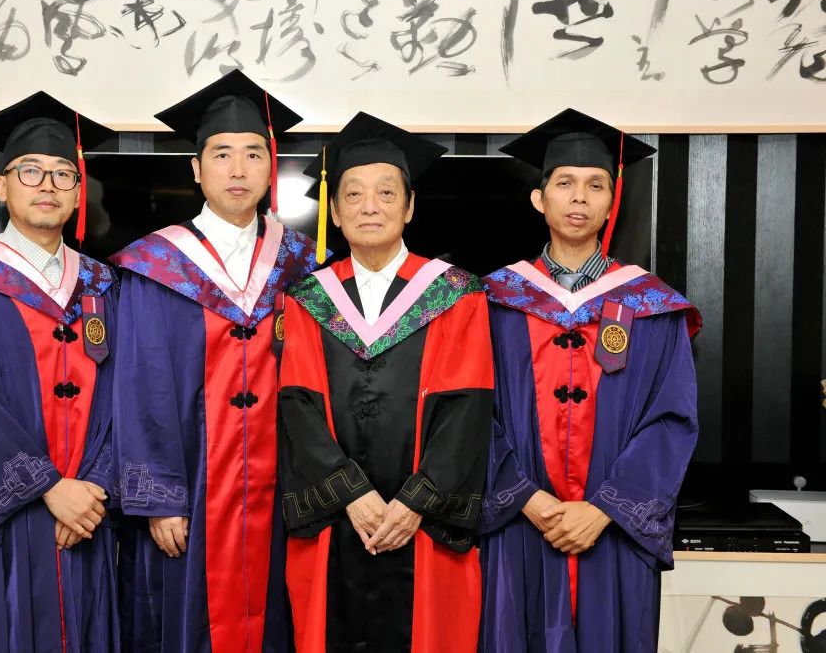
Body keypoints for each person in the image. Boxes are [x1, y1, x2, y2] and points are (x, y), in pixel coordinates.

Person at [110, 70, 320, 653]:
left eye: (254, 154)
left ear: (271, 168)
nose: (238, 169)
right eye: (222, 154)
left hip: (283, 494)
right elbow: (139, 386)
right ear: (196, 169)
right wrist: (159, 498)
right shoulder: (153, 267)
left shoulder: (303, 264)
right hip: (193, 493)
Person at [479, 108, 701, 652]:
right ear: (540, 199)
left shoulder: (651, 306)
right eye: (565, 183)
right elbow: (468, 412)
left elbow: (672, 419)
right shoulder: (490, 301)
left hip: (612, 532)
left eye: (595, 185)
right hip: (521, 523)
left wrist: (605, 507)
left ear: (610, 201)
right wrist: (523, 496)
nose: (579, 197)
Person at [278, 112, 493, 652]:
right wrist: (350, 494)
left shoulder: (456, 295)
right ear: (335, 210)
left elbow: (467, 407)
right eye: (353, 193)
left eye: (386, 192)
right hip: (338, 520)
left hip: (422, 524)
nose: (369, 206)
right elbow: (298, 404)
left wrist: (416, 502)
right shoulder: (308, 300)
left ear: (410, 205)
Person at [0, 91, 120, 653]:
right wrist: (50, 489)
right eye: (30, 171)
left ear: (78, 193)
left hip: (88, 515)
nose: (47, 185)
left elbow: (126, 394)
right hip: (14, 521)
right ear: (2, 186)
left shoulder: (106, 285)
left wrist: (92, 490)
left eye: (62, 174)